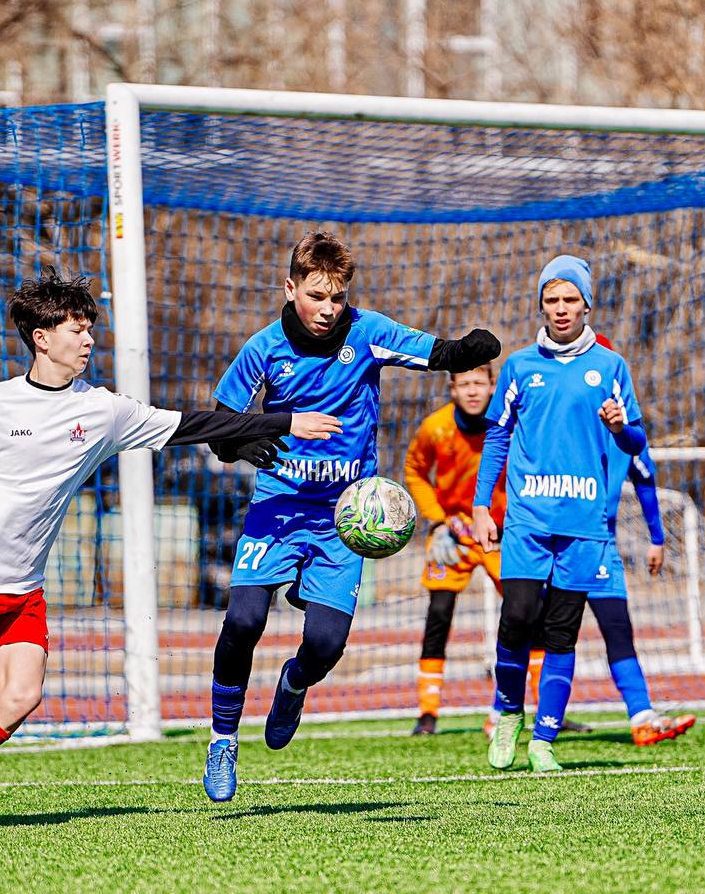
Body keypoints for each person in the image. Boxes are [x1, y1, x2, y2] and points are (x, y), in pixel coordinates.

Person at [0, 268, 341, 830]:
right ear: (42, 337)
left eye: (90, 329)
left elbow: (192, 424)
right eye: (77, 329)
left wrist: (283, 420)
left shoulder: (102, 410)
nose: (88, 340)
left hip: (22, 589)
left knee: (21, 696)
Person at [204, 231, 502, 801]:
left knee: (325, 645)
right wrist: (241, 447)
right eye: (317, 295)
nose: (328, 309)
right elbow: (222, 422)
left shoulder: (367, 332)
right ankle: (222, 740)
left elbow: (431, 351)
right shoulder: (264, 347)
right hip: (277, 509)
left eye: (337, 297)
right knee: (243, 621)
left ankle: (294, 683)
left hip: (347, 518)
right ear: (290, 289)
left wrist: (464, 351)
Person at [472, 254, 648, 774]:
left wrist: (620, 428)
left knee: (562, 633)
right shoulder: (521, 367)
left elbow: (638, 440)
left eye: (571, 299)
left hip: (584, 524)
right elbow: (499, 436)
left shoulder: (611, 368)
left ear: (588, 304)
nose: (562, 308)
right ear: (542, 306)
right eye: (553, 299)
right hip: (528, 518)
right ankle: (507, 712)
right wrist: (483, 503)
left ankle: (544, 739)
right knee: (518, 617)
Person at [403, 365, 507, 735]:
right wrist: (437, 520)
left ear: (493, 386)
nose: (473, 391)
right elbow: (414, 471)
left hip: (501, 534)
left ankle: (542, 708)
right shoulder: (435, 427)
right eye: (465, 384)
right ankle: (427, 712)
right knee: (439, 616)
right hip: (455, 535)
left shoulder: (507, 422)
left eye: (480, 383)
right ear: (452, 388)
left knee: (529, 615)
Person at [588, 438, 697, 745]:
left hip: (601, 547)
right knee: (540, 631)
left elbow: (644, 478)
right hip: (556, 545)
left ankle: (641, 716)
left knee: (618, 628)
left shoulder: (625, 427)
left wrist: (657, 537)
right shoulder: (561, 418)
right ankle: (505, 713)